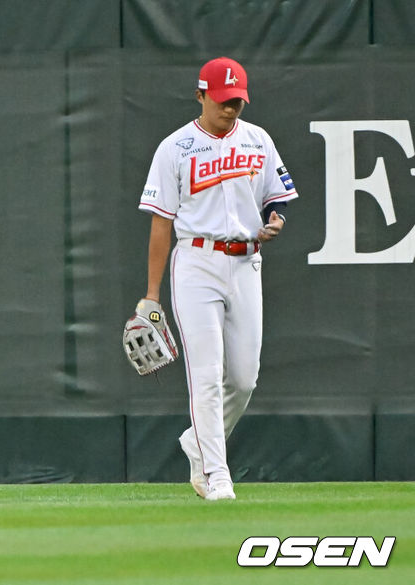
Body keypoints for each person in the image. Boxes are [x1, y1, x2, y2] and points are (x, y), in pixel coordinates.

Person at [137, 57, 298, 500]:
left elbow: (275, 200)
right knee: (206, 373)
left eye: (238, 102)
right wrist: (151, 296)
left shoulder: (258, 140)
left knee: (244, 378)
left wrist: (275, 220)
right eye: (224, 101)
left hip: (246, 262)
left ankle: (198, 442)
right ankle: (216, 475)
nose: (231, 109)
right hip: (197, 263)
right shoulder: (175, 148)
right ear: (201, 95)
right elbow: (160, 224)